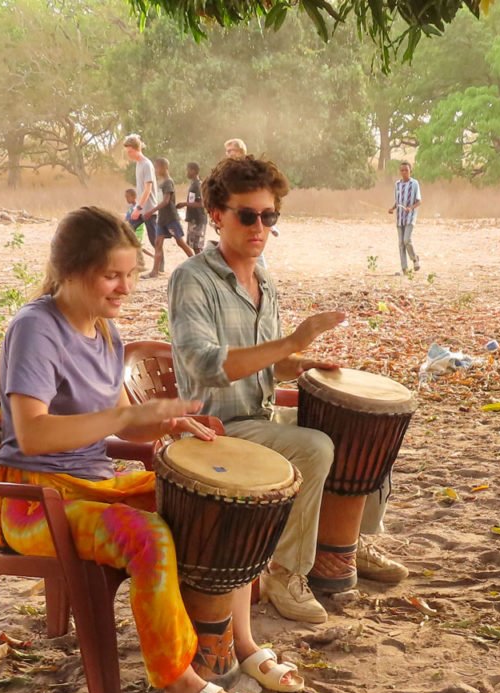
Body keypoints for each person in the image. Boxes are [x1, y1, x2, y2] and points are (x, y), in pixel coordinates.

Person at [0, 206, 303, 693]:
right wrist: (130, 413)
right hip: (36, 500)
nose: (125, 288)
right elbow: (33, 432)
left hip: (93, 485)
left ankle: (237, 645)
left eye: (132, 275)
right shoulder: (36, 329)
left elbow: (123, 427)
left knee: (219, 509)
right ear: (71, 271)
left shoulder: (104, 331)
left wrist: (165, 424)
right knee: (149, 536)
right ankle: (178, 683)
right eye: (112, 275)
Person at [167, 155, 409, 625]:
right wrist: (293, 341)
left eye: (269, 216)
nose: (259, 226)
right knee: (315, 446)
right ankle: (286, 573)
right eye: (247, 215)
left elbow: (270, 365)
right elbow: (204, 364)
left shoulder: (263, 281)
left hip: (258, 419)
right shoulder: (192, 279)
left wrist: (302, 364)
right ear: (216, 215)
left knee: (356, 427)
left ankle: (344, 545)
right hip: (216, 427)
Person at [145, 156, 195, 279]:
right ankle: (154, 271)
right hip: (162, 219)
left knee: (180, 242)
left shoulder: (168, 182)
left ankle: (196, 265)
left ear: (164, 167)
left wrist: (151, 211)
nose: (156, 170)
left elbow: (166, 201)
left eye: (157, 167)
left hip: (170, 218)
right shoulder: (162, 182)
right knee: (158, 243)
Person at [123, 134, 158, 255]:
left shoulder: (146, 164)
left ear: (138, 149)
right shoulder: (138, 165)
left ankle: (159, 264)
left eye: (130, 151)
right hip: (140, 207)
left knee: (154, 238)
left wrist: (138, 208)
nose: (129, 154)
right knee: (127, 232)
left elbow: (148, 189)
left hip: (148, 208)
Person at [388, 161, 422, 275]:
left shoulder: (415, 184)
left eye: (406, 170)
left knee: (407, 240)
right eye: (402, 170)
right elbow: (397, 201)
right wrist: (392, 208)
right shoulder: (397, 184)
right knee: (401, 243)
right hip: (399, 218)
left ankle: (415, 259)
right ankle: (404, 268)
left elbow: (419, 201)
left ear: (410, 171)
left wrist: (411, 208)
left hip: (410, 217)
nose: (404, 172)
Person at [183, 162, 208, 256]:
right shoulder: (193, 184)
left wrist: (184, 204)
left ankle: (202, 266)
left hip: (198, 219)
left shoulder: (198, 185)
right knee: (193, 244)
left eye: (188, 170)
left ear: (194, 171)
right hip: (193, 219)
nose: (187, 172)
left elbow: (202, 204)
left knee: (197, 246)